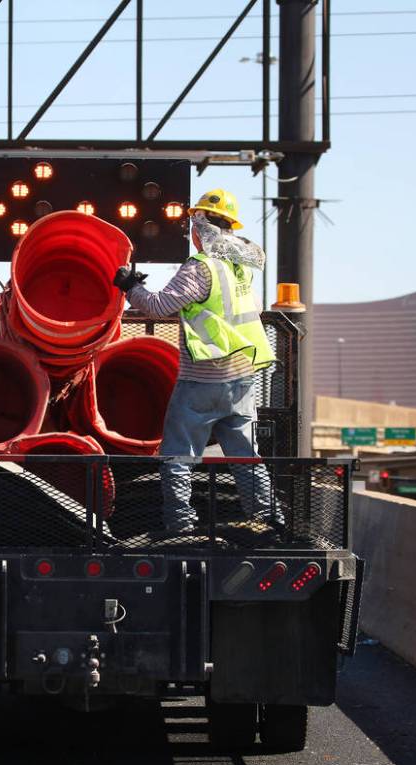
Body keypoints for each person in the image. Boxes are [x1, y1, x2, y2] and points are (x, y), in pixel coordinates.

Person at [113, 188, 280, 535]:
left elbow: (159, 307)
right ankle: (267, 521)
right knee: (246, 457)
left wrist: (130, 287)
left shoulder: (200, 267)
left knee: (177, 454)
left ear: (201, 228)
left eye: (194, 223)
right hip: (243, 378)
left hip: (203, 378)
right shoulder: (241, 270)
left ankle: (181, 526)